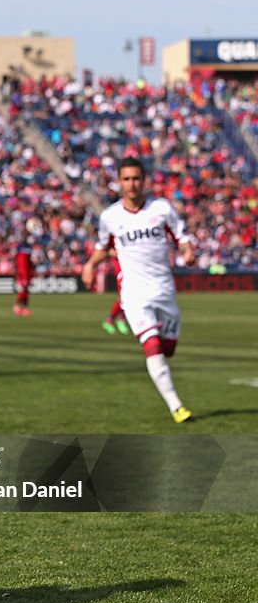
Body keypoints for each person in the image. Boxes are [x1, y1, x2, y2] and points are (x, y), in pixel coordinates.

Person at [82, 157, 195, 423]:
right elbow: (102, 247)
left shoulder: (161, 208)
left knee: (168, 349)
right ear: (119, 182)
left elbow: (182, 237)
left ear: (143, 181)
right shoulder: (110, 217)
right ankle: (176, 406)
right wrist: (89, 266)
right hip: (133, 290)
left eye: (136, 178)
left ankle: (172, 394)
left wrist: (188, 252)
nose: (132, 184)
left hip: (163, 288)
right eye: (126, 179)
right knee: (152, 345)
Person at [100, 255, 131, 336]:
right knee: (124, 296)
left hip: (132, 264)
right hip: (122, 265)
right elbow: (110, 250)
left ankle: (122, 318)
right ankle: (111, 320)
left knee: (132, 295)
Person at [13, 236, 34, 316]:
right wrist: (23, 276)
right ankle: (17, 305)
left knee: (26, 292)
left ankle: (24, 308)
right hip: (23, 274)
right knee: (23, 291)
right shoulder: (21, 254)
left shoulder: (27, 252)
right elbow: (21, 266)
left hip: (26, 274)